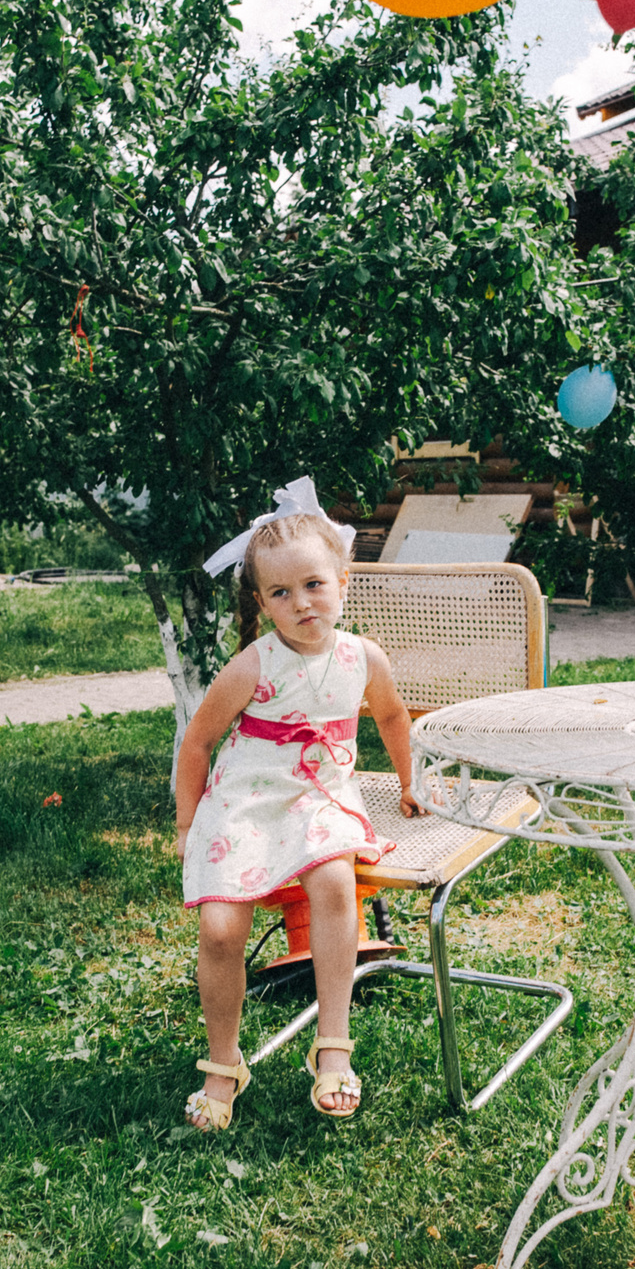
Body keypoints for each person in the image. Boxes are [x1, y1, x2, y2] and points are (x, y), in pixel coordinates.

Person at [174, 483, 419, 1130]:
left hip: (318, 797)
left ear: (342, 579)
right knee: (222, 927)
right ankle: (223, 1061)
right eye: (281, 593)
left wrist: (407, 781)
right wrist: (186, 820)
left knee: (336, 881)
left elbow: (392, 716)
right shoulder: (255, 664)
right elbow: (197, 742)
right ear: (261, 602)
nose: (301, 602)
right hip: (248, 798)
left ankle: (333, 1044)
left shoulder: (362, 657)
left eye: (313, 584)